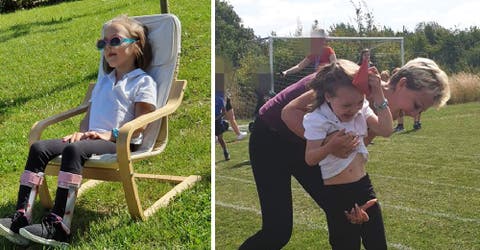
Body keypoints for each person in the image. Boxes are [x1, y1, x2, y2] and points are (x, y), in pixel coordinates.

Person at [240, 57, 449, 249]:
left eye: (421, 111)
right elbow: (290, 112)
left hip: (309, 146)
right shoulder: (350, 78)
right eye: (416, 105)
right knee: (277, 231)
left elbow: (352, 151)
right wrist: (328, 144)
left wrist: (353, 197)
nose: (414, 114)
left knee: (348, 213)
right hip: (271, 137)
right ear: (402, 84)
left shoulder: (382, 110)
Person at [0, 15, 156, 246]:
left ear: (136, 46)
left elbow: (143, 121)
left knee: (74, 150)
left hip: (120, 140)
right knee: (39, 147)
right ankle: (21, 215)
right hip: (91, 138)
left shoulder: (142, 82)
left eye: (114, 41)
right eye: (103, 43)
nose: (107, 47)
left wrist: (110, 134)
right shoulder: (104, 81)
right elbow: (89, 116)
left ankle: (59, 226)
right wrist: (82, 132)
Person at [303, 60, 392, 249]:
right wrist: (330, 146)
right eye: (346, 106)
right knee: (346, 245)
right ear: (328, 97)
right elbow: (310, 158)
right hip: (337, 194)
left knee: (377, 244)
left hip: (364, 186)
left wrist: (378, 92)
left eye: (359, 102)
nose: (354, 110)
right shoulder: (317, 119)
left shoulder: (361, 108)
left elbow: (386, 130)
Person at [215, 92, 230, 161]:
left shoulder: (219, 99)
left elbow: (224, 112)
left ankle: (225, 151)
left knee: (220, 138)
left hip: (217, 121)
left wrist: (217, 117)